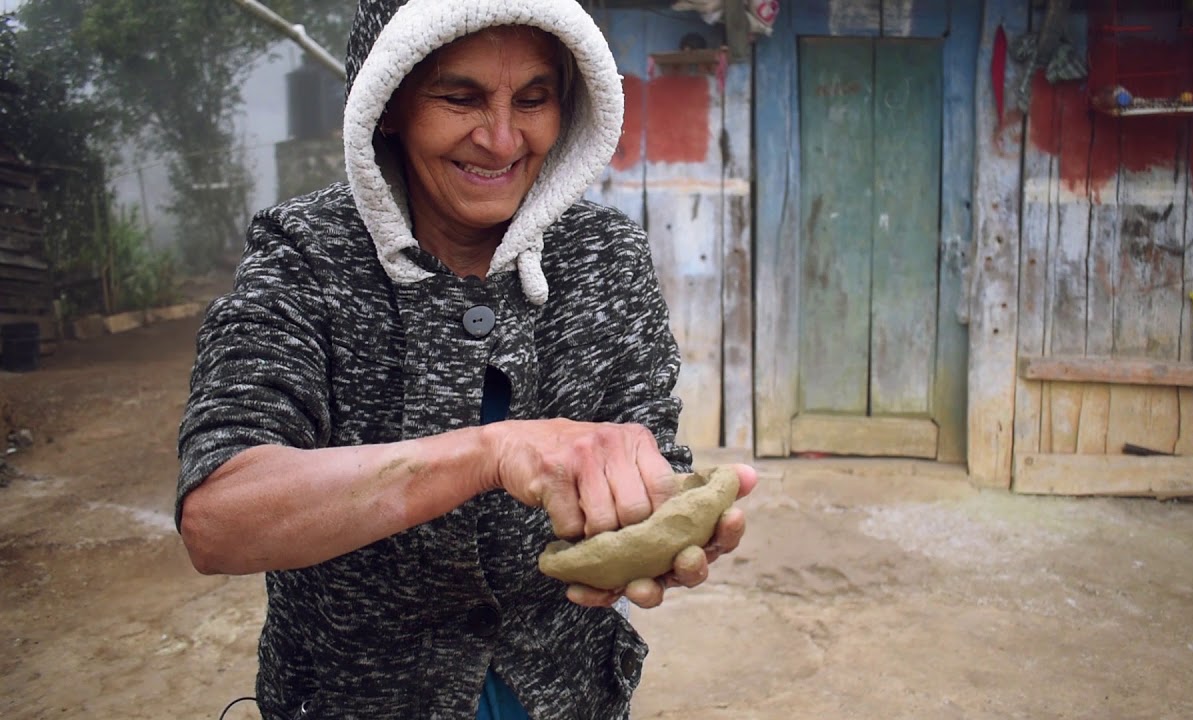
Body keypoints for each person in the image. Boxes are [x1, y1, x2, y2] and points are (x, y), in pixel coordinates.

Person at [175, 0, 757, 718]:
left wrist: (661, 518)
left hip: (563, 696)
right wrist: (488, 452)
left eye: (535, 99)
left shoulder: (607, 256)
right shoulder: (307, 256)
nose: (503, 138)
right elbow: (220, 517)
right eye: (460, 97)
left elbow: (643, 452)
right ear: (389, 105)